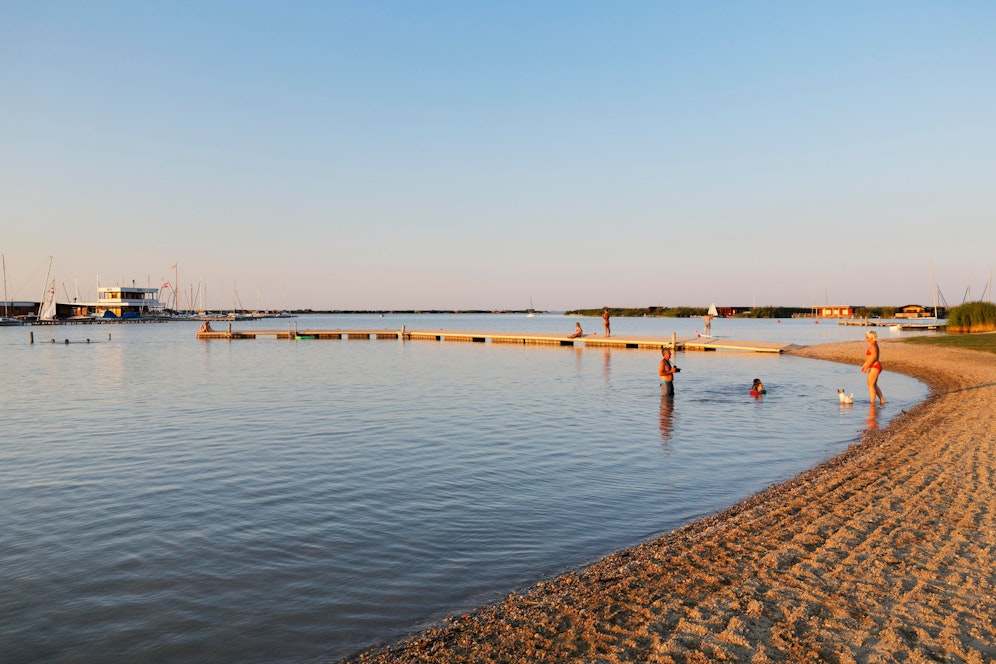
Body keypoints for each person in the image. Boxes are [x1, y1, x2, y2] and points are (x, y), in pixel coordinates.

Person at [861, 330, 885, 405]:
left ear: (871, 337)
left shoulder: (873, 345)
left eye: (867, 337)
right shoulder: (873, 344)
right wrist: (865, 364)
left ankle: (872, 403)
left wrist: (866, 366)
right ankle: (882, 400)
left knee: (871, 385)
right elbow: (870, 357)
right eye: (866, 336)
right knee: (873, 384)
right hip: (874, 366)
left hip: (875, 366)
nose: (866, 338)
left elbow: (874, 357)